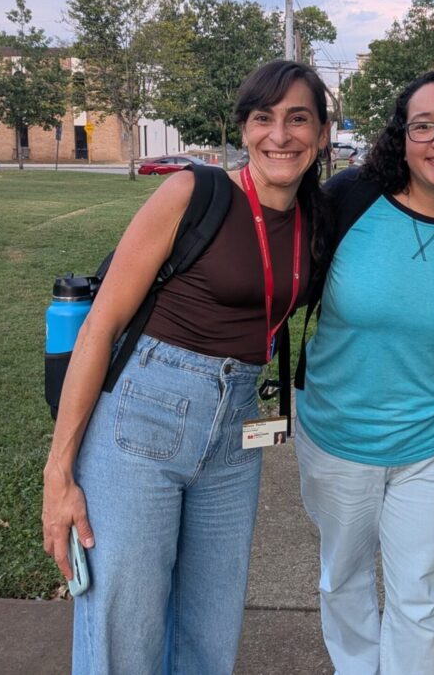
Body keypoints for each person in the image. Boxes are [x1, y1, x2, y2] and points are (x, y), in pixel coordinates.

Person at [41, 60, 330, 674]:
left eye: (298, 118)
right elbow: (100, 329)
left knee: (210, 628)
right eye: (264, 118)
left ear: (323, 134)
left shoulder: (315, 218)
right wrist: (58, 475)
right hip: (142, 416)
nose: (280, 134)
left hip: (235, 437)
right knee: (126, 629)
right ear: (244, 130)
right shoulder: (193, 193)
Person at [295, 70, 434, 675]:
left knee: (422, 591)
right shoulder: (349, 201)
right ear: (400, 137)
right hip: (336, 434)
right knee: (344, 577)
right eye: (424, 125)